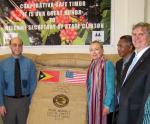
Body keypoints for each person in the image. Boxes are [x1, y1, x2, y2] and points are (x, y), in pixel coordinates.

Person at [117, 22, 150, 124]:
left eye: (141, 34)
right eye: (134, 34)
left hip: (136, 116)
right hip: (122, 113)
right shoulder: (132, 57)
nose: (137, 37)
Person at [0, 37, 37, 124]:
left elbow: (33, 84)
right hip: (8, 103)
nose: (17, 47)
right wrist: (1, 104)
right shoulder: (2, 64)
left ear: (22, 47)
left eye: (19, 45)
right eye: (14, 45)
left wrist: (32, 103)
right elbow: (0, 84)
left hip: (24, 102)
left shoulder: (30, 63)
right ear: (10, 46)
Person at [87, 40, 115, 124]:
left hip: (105, 105)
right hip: (93, 104)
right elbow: (90, 87)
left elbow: (111, 87)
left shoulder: (107, 64)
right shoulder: (92, 65)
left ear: (102, 50)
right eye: (91, 50)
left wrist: (106, 105)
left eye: (96, 49)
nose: (94, 52)